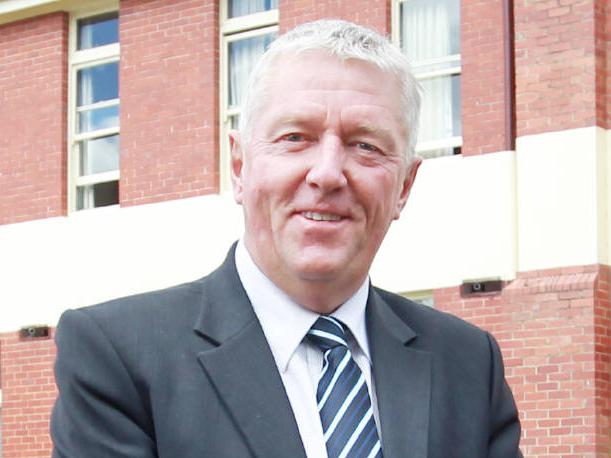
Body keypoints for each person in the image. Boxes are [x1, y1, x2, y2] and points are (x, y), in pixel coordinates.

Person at [51, 19, 522, 458]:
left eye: (366, 145)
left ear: (404, 186)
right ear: (240, 167)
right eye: (296, 137)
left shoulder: (467, 365)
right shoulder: (118, 358)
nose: (328, 173)